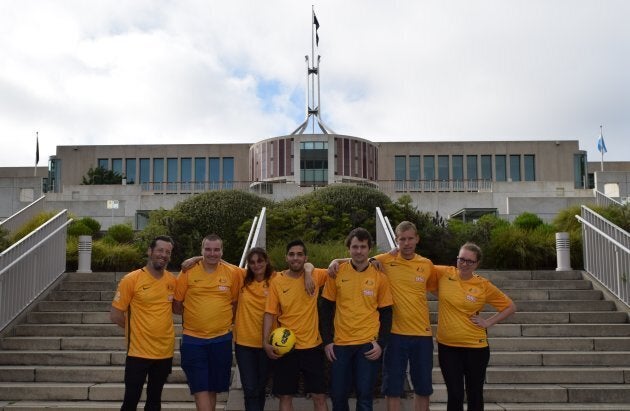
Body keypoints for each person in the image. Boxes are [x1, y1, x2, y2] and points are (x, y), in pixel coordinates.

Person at [328, 221, 437, 411]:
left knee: (423, 387)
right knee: (392, 389)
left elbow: (443, 287)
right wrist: (334, 262)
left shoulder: (427, 264)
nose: (407, 243)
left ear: (417, 239)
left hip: (422, 335)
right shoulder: (383, 260)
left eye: (410, 238)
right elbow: (358, 260)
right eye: (402, 239)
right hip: (394, 334)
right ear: (396, 240)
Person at [435, 242, 516, 411]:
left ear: (476, 264)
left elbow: (510, 307)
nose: (464, 264)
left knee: (475, 394)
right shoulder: (444, 274)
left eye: (469, 261)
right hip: (448, 347)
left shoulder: (483, 285)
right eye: (461, 259)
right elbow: (417, 265)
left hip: (476, 348)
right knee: (455, 394)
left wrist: (488, 322)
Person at [320, 227, 393, 411]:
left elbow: (386, 313)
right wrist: (327, 342)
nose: (358, 251)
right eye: (355, 247)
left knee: (365, 397)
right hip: (340, 345)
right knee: (338, 396)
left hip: (368, 345)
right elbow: (326, 309)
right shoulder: (336, 272)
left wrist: (381, 344)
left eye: (362, 247)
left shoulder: (379, 277)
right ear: (349, 249)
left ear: (369, 249)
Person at [173, 234, 243, 411]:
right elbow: (177, 304)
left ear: (222, 251)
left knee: (212, 388)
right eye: (208, 249)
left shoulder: (233, 273)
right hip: (194, 340)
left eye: (216, 249)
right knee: (200, 387)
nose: (212, 253)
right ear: (201, 250)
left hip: (222, 339)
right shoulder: (187, 271)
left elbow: (235, 303)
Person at [110, 235, 177, 411]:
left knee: (154, 402)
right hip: (138, 352)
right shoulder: (131, 279)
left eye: (167, 252)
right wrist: (138, 328)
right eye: (160, 250)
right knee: (131, 400)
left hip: (164, 352)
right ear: (150, 251)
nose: (163, 255)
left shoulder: (172, 280)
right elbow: (116, 314)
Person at [263, 239, 329, 411]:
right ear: (286, 257)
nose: (295, 258)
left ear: (305, 258)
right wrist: (265, 343)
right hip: (286, 347)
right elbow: (269, 313)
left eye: (300, 254)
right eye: (292, 254)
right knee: (285, 397)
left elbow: (340, 266)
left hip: (312, 346)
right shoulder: (277, 281)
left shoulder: (315, 276)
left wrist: (374, 261)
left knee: (319, 396)